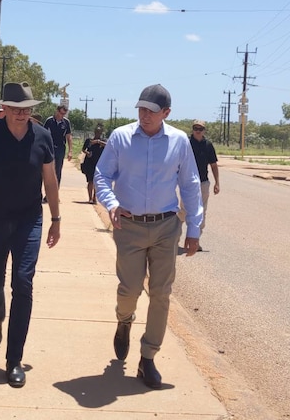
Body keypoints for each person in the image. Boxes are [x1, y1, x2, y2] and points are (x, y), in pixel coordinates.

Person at [94, 84, 201, 390]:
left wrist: (194, 228)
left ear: (166, 113)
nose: (144, 116)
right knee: (129, 290)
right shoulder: (121, 137)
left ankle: (148, 357)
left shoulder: (180, 141)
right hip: (129, 226)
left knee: (161, 293)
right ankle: (124, 320)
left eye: (151, 111)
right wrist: (112, 203)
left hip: (167, 226)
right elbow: (102, 175)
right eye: (140, 109)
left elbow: (190, 184)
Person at [0, 82, 61, 388]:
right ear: (4, 108)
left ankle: (13, 359)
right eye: (16, 108)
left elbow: (51, 180)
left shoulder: (43, 137)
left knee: (23, 281)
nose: (21, 114)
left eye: (27, 109)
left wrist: (56, 219)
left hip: (29, 220)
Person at [189, 119, 219, 251]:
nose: (197, 130)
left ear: (204, 131)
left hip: (203, 183)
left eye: (200, 128)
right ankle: (174, 238)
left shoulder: (208, 145)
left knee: (201, 212)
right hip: (188, 183)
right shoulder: (186, 143)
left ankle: (196, 241)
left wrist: (217, 182)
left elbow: (213, 165)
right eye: (195, 128)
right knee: (183, 211)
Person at [43, 105, 73, 187]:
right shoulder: (49, 121)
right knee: (47, 169)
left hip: (60, 149)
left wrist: (70, 151)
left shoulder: (66, 122)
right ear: (57, 111)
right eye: (61, 113)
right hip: (49, 148)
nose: (62, 115)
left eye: (64, 114)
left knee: (57, 171)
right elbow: (43, 134)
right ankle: (45, 192)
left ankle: (55, 192)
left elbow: (69, 137)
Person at [81, 123, 107, 204]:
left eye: (99, 132)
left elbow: (108, 146)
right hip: (90, 162)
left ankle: (95, 197)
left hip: (99, 163)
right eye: (96, 132)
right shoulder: (89, 140)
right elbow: (83, 149)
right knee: (90, 181)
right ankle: (90, 198)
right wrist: (87, 153)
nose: (97, 133)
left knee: (97, 181)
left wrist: (98, 142)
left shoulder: (103, 141)